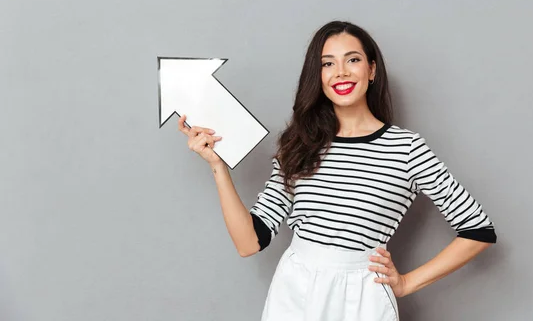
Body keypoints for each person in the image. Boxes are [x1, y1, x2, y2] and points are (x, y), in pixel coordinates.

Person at [177, 20, 497, 321]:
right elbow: (249, 242)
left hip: (363, 298)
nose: (340, 72)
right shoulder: (299, 144)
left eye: (352, 60)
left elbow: (478, 231)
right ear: (317, 77)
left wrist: (406, 284)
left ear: (371, 70)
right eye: (327, 63)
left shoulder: (406, 148)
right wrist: (218, 167)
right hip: (295, 292)